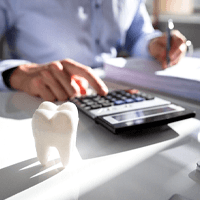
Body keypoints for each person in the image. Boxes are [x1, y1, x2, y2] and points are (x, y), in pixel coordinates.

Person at [0, 0, 187, 101]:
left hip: (116, 94)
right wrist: (15, 73)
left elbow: (137, 36)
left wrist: (154, 44)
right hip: (41, 99)